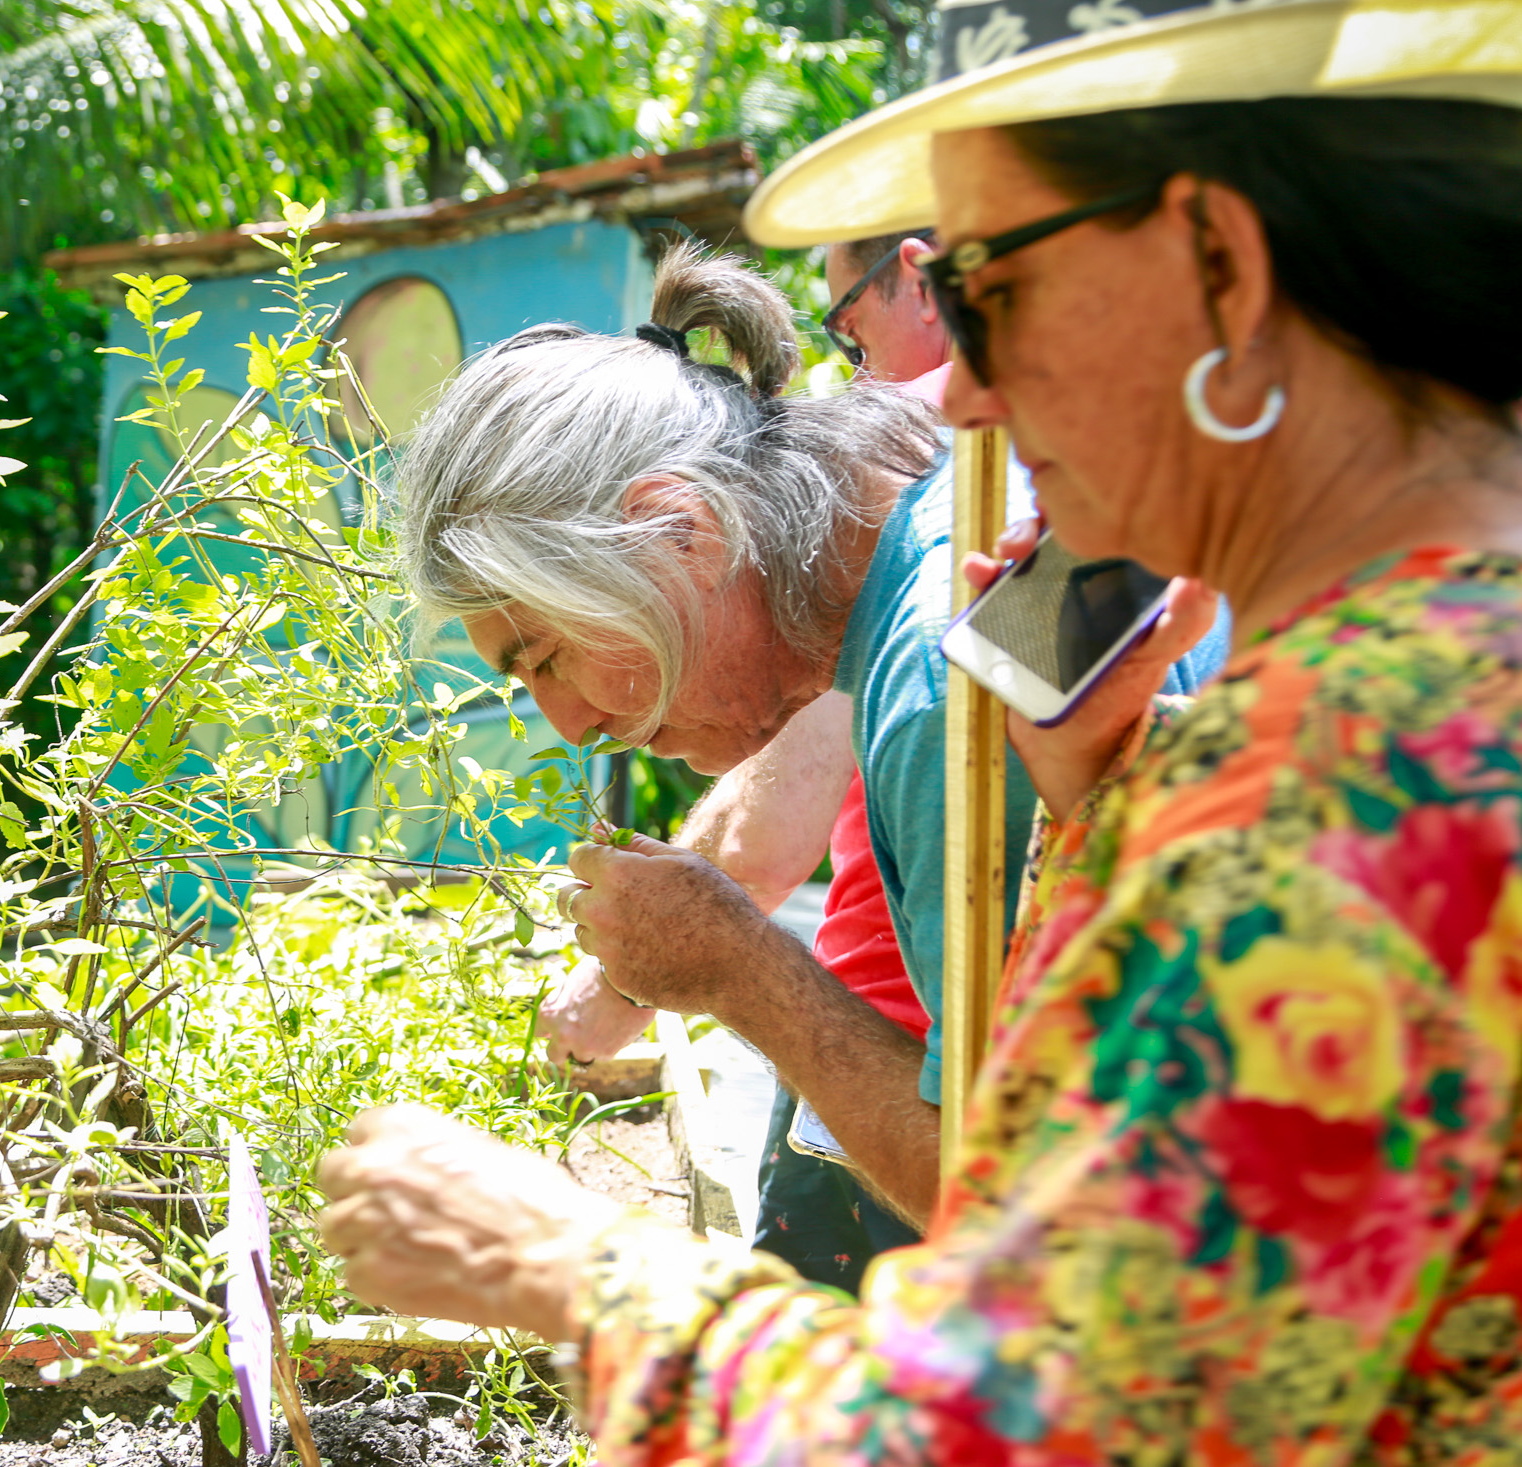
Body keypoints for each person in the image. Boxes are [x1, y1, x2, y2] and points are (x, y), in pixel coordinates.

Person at [318, 2, 1522, 1459]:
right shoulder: (1386, 677)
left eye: (990, 292)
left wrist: (563, 1264)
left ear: (1221, 261)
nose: (957, 388)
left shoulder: (1355, 786)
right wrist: (1095, 814)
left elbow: (1021, 1423)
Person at [399, 245, 1224, 1229]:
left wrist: (740, 972)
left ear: (679, 529)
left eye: (544, 658)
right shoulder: (964, 506)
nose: (572, 724)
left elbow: (1031, 1220)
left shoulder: (944, 697)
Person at [541, 225, 957, 1285]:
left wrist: (713, 966)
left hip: (898, 1057)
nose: (574, 721)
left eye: (849, 333)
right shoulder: (941, 522)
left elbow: (1028, 1211)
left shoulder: (914, 599)